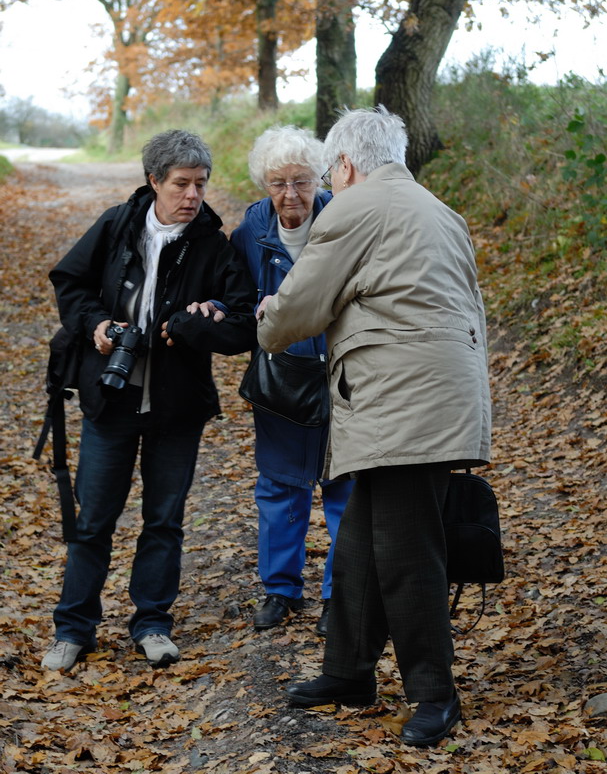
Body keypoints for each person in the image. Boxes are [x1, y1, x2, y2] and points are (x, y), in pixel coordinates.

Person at [256, 106, 491, 746]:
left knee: (408, 553)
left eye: (332, 167)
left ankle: (435, 696)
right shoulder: (440, 211)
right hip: (440, 396)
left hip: (402, 403)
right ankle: (349, 674)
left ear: (348, 164)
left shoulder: (356, 209)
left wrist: (266, 314)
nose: (331, 179)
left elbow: (297, 309)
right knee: (360, 543)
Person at [41, 129, 257, 672]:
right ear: (153, 181)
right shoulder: (117, 225)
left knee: (164, 520)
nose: (192, 196)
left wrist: (193, 326)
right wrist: (96, 325)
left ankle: (153, 623)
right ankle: (74, 629)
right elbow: (70, 280)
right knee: (94, 522)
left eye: (201, 185)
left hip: (176, 408)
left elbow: (243, 326)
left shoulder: (212, 243)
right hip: (109, 401)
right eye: (181, 184)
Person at [230, 125, 353, 635]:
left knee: (343, 485)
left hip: (340, 372)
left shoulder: (344, 219)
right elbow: (233, 294)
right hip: (280, 379)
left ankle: (339, 595)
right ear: (264, 184)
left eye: (301, 181)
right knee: (280, 485)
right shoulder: (251, 230)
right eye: (278, 183)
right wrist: (218, 309)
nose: (290, 195)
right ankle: (280, 590)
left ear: (318, 179)